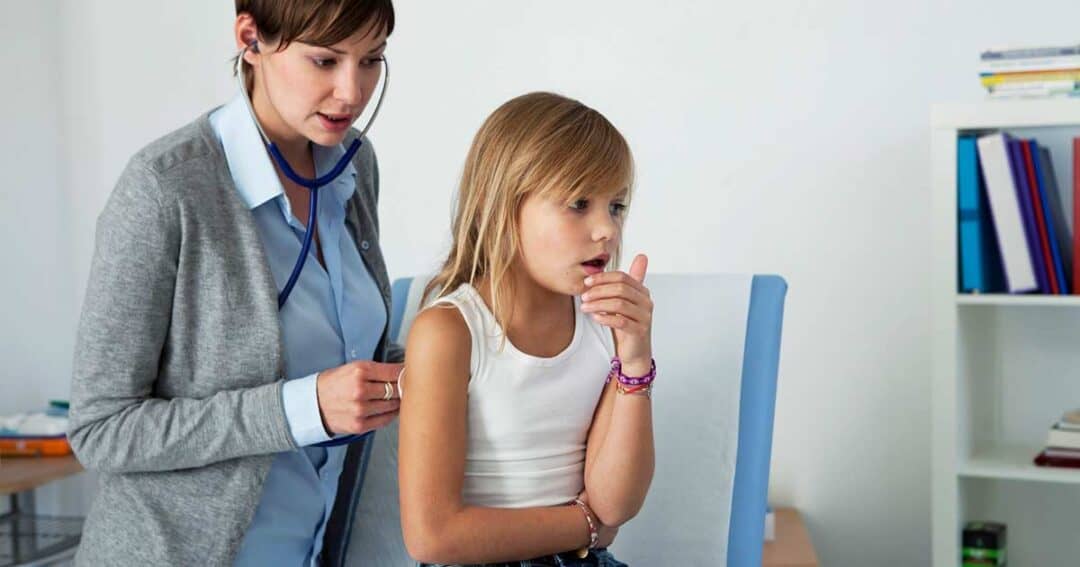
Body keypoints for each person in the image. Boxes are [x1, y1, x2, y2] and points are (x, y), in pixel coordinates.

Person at [67, 1, 402, 565]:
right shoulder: (163, 189)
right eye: (325, 61)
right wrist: (301, 410)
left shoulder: (353, 165)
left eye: (371, 61)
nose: (351, 91)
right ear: (251, 39)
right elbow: (102, 428)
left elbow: (349, 348)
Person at [399, 92, 656, 567]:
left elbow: (617, 502)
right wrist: (586, 526)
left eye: (616, 207)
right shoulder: (449, 332)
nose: (606, 230)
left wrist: (636, 361)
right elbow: (432, 537)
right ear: (504, 206)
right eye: (579, 203)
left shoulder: (602, 329)